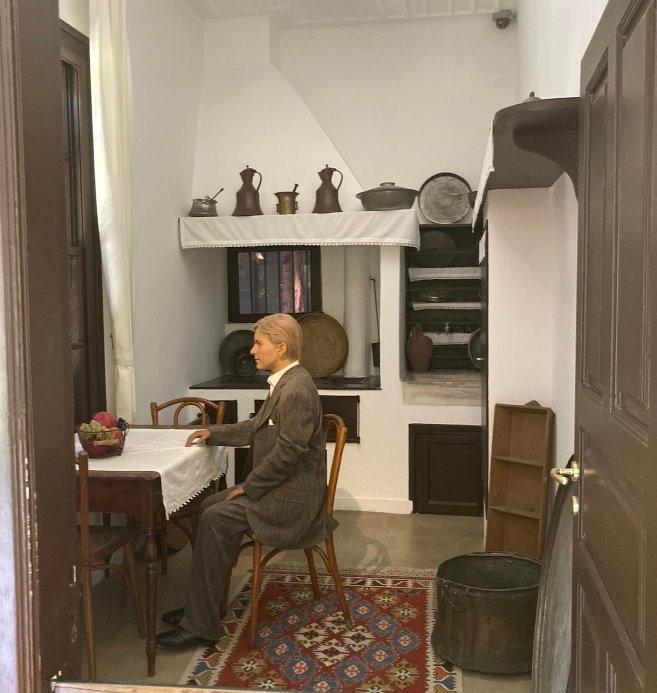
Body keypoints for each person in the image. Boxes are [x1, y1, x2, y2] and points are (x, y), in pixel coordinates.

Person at [156, 313, 336, 648]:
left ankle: (201, 625)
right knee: (209, 506)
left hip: (294, 502)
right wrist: (213, 432)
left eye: (258, 343)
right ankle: (204, 607)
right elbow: (254, 428)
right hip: (285, 489)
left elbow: (288, 454)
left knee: (215, 515)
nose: (252, 350)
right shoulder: (285, 382)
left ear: (280, 347)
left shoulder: (296, 390)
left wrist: (249, 487)